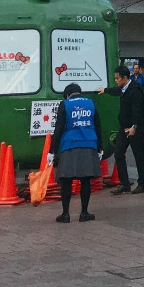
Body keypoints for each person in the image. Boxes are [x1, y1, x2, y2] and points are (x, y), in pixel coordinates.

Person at [50, 83, 102, 223]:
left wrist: (52, 151)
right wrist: (100, 148)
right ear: (80, 92)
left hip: (70, 146)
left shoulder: (65, 104)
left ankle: (65, 214)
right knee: (86, 180)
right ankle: (84, 213)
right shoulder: (91, 103)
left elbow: (59, 129)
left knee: (66, 181)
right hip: (89, 144)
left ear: (67, 94)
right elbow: (98, 125)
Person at [98, 65, 144, 195]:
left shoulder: (135, 90)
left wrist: (135, 127)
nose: (116, 80)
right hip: (124, 127)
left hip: (134, 128)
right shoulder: (124, 88)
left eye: (117, 78)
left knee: (139, 156)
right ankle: (125, 184)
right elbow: (117, 91)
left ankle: (142, 184)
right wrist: (106, 90)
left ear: (125, 78)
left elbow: (138, 110)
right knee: (118, 154)